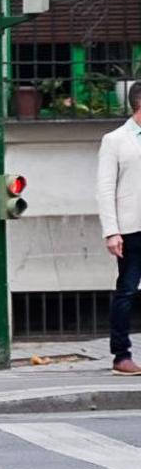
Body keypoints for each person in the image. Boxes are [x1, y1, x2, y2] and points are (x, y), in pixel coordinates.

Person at [96, 80, 141, 376]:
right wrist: (112, 231)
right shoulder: (115, 140)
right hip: (131, 227)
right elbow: (105, 187)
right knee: (126, 290)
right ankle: (121, 355)